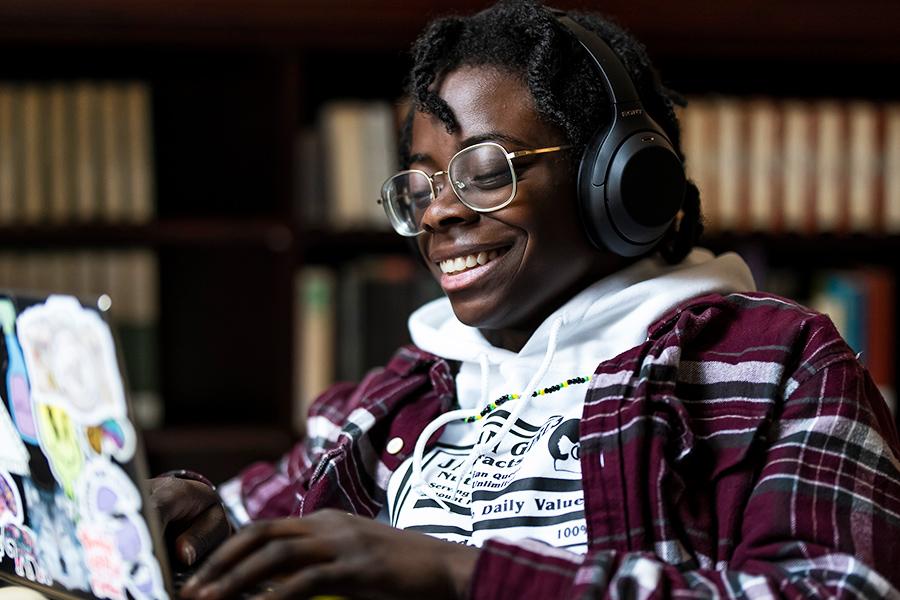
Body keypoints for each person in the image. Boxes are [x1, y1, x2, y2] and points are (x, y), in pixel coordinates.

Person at [150, 1, 900, 598]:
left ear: (619, 182)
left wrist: (460, 574)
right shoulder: (403, 391)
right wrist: (208, 526)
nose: (440, 212)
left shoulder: (777, 365)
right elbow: (259, 515)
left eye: (485, 171)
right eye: (423, 184)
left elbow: (834, 589)